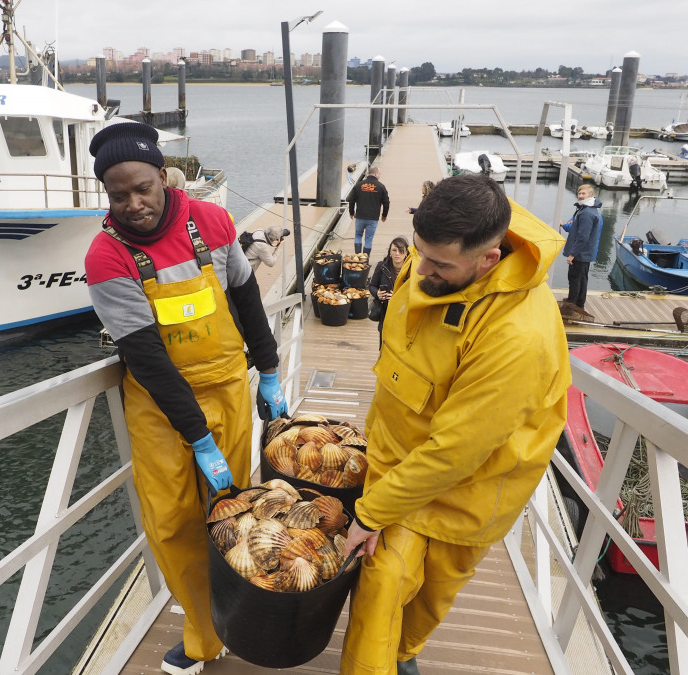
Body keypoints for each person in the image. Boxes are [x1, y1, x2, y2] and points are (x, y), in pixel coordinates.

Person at [339, 174, 571, 675]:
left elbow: (456, 451)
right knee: (379, 596)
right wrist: (370, 447)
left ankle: (404, 653)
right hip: (397, 466)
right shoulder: (430, 265)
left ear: (488, 259)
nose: (418, 269)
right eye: (418, 252)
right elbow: (397, 364)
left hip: (466, 490)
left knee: (430, 599)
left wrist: (369, 513)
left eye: (439, 263)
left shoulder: (518, 336)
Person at [83, 122, 288, 675]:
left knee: (232, 511)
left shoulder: (214, 223)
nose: (134, 204)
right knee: (172, 523)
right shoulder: (106, 257)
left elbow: (246, 299)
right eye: (118, 195)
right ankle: (203, 636)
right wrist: (198, 438)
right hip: (159, 404)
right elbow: (146, 358)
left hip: (226, 387)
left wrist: (268, 372)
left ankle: (244, 615)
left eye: (143, 188)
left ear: (164, 178)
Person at [560, 183, 603, 310]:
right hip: (586, 253)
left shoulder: (586, 213)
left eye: (583, 193)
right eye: (579, 193)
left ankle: (571, 306)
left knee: (574, 279)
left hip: (580, 254)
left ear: (591, 195)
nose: (581, 196)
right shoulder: (591, 210)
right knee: (582, 278)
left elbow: (583, 236)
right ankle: (579, 303)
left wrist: (572, 254)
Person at [368, 236, 409, 334]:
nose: (397, 253)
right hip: (385, 311)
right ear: (390, 253)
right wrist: (377, 293)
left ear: (406, 253)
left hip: (403, 312)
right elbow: (372, 286)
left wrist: (397, 298)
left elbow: (415, 292)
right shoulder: (382, 266)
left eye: (401, 250)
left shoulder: (411, 270)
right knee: (384, 339)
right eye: (394, 250)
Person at [348, 165, 390, 256]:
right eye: (379, 174)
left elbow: (351, 200)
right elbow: (386, 202)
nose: (380, 176)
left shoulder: (359, 185)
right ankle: (365, 259)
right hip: (373, 218)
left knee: (358, 235)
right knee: (369, 238)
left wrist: (351, 212)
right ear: (375, 173)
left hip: (360, 216)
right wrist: (384, 215)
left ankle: (357, 257)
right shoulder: (381, 187)